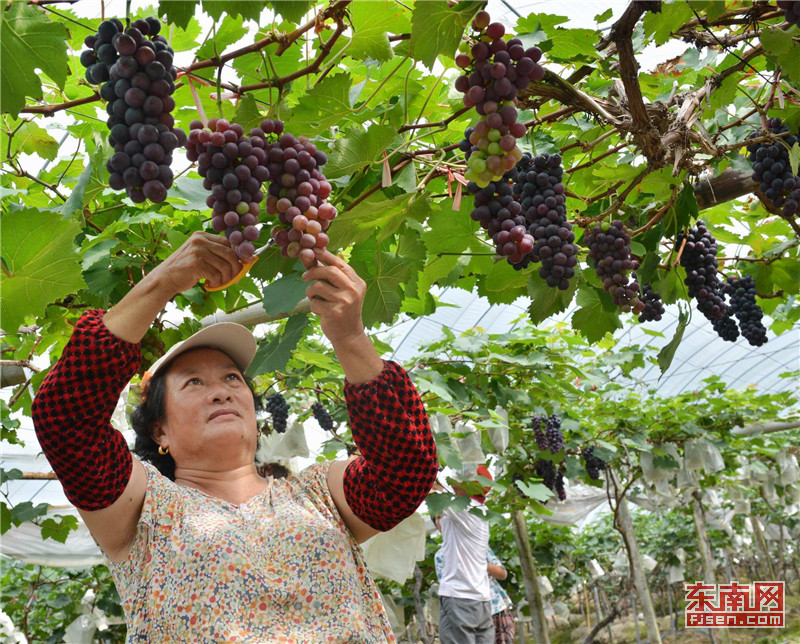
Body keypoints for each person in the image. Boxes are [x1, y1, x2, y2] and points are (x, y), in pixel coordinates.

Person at [32, 232, 438, 642]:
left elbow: (404, 471)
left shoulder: (319, 493)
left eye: (231, 377)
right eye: (193, 382)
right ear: (160, 430)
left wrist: (350, 338)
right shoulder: (144, 507)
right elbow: (66, 420)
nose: (222, 390)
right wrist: (164, 281)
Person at [432, 466, 495, 644]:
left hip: (460, 596)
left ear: (470, 485)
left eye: (458, 479)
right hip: (480, 598)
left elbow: (433, 493)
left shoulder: (464, 507)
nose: (453, 482)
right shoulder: (480, 511)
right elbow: (445, 527)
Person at [434, 546, 515, 644]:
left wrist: (479, 563)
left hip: (495, 608)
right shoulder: (441, 555)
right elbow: (448, 588)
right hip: (464, 613)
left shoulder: (480, 547)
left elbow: (502, 573)